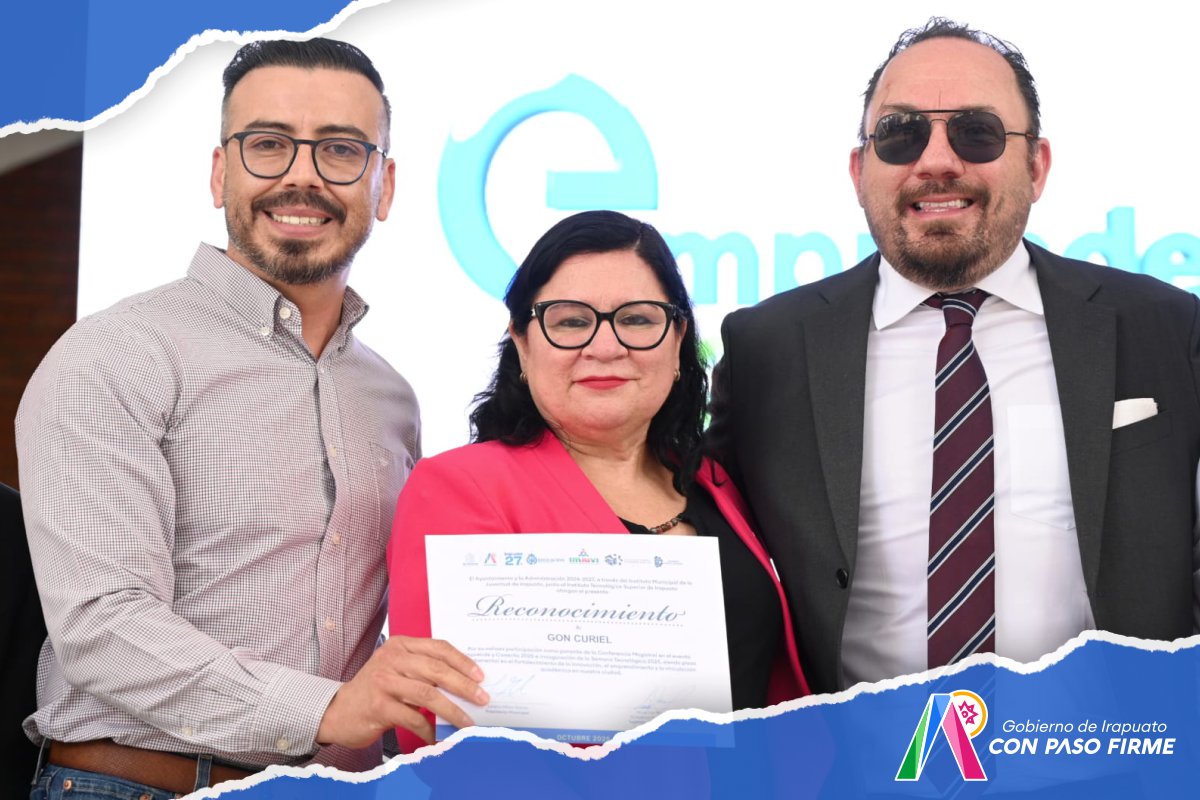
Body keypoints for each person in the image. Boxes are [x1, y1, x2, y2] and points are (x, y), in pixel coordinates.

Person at [17, 38, 484, 796]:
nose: (302, 175)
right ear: (220, 171)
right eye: (268, 144)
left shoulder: (391, 399)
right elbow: (102, 628)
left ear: (385, 185)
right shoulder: (114, 356)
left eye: (340, 150)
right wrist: (326, 709)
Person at [707, 18, 1200, 695]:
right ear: (859, 170)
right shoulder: (768, 348)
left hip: (1106, 744)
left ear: (1037, 166)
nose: (936, 161)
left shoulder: (1167, 328)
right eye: (900, 134)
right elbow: (691, 535)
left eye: (976, 132)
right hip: (849, 750)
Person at [387, 209, 809, 753]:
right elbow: (435, 719)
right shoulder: (457, 489)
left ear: (678, 338)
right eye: (570, 322)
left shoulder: (716, 480)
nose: (605, 347)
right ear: (521, 342)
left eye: (637, 319)